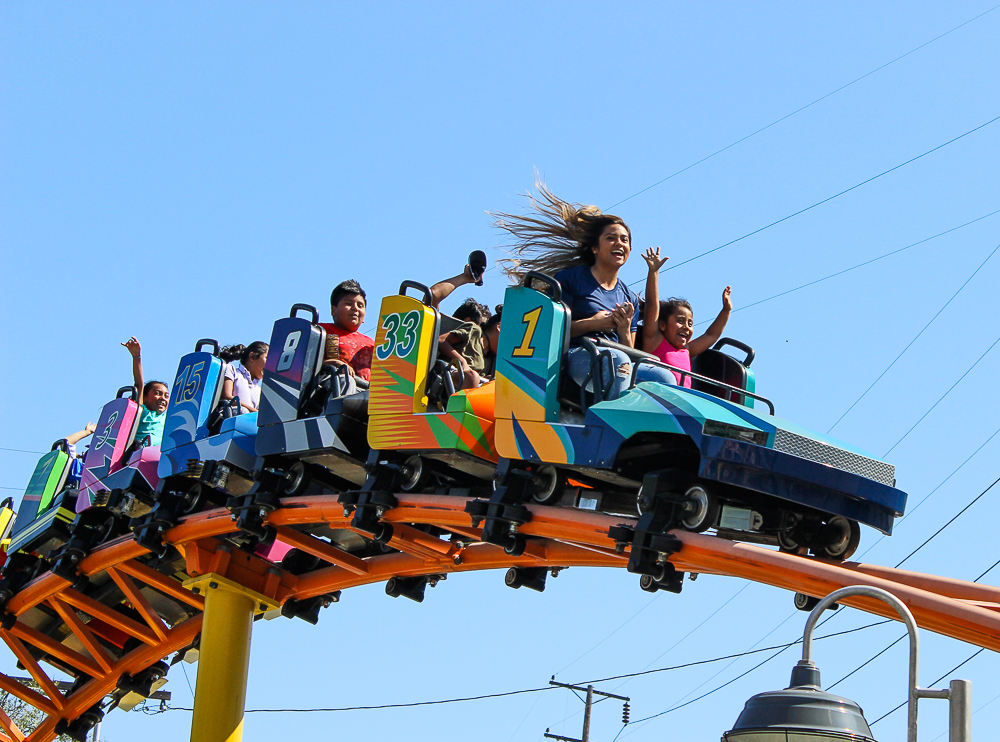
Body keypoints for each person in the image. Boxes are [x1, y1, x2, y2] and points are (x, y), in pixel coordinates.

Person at [494, 182, 676, 400]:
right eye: (611, 238)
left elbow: (629, 350)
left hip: (618, 359)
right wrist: (594, 323)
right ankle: (610, 418)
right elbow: (551, 331)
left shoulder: (629, 297)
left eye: (625, 240)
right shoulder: (571, 279)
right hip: (577, 355)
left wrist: (623, 329)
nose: (619, 243)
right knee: (616, 361)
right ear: (595, 248)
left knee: (665, 377)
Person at [641, 247, 732, 387]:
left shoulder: (687, 350)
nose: (686, 327)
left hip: (680, 399)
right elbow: (652, 305)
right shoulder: (654, 340)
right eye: (680, 321)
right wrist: (653, 272)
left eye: (690, 324)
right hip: (657, 396)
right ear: (663, 325)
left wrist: (726, 310)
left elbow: (711, 335)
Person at [320, 280, 374, 394]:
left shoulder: (371, 343)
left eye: (360, 305)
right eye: (349, 304)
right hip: (333, 382)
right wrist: (333, 363)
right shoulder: (321, 330)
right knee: (347, 381)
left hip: (365, 390)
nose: (355, 308)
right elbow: (305, 362)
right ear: (333, 310)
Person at [121, 337, 169, 447]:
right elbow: (139, 385)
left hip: (160, 455)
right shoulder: (142, 412)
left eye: (166, 396)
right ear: (145, 397)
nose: (163, 398)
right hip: (140, 453)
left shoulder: (168, 418)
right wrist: (136, 357)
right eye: (157, 393)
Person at [220, 342, 269, 412]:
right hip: (232, 415)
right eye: (267, 358)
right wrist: (254, 412)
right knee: (243, 411)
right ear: (252, 357)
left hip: (249, 418)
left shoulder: (260, 390)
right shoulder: (232, 371)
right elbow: (227, 397)